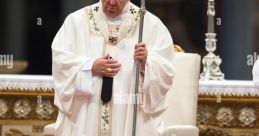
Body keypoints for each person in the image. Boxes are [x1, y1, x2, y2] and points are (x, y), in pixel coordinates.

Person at [51, 0, 175, 135]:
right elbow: (60, 61)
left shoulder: (150, 24)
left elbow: (166, 71)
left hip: (129, 107)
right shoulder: (76, 22)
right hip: (87, 113)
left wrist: (147, 62)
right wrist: (90, 66)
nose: (111, 2)